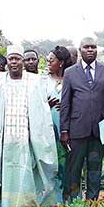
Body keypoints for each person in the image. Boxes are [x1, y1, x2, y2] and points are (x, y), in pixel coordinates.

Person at [0, 46, 59, 207]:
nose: (14, 62)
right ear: (7, 61)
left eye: (18, 58)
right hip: (6, 136)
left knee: (26, 172)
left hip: (27, 136)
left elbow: (42, 106)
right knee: (8, 173)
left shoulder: (34, 81)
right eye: (11, 59)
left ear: (23, 62)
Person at [59, 37, 104, 200]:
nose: (90, 50)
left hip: (99, 132)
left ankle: (92, 202)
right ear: (80, 50)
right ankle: (74, 204)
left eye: (93, 47)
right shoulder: (70, 73)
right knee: (74, 170)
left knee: (95, 169)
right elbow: (65, 103)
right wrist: (64, 130)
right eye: (86, 47)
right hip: (76, 131)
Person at [45, 46, 73, 199]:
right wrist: (45, 105)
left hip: (67, 127)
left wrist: (67, 105)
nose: (48, 62)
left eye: (52, 60)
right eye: (48, 59)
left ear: (61, 62)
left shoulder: (71, 79)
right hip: (48, 128)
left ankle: (66, 199)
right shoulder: (43, 80)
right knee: (50, 164)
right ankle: (51, 199)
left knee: (67, 164)